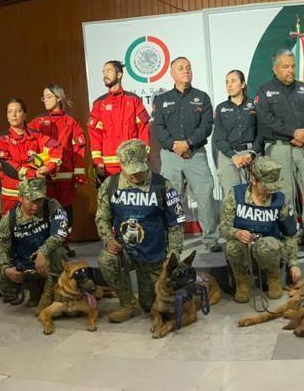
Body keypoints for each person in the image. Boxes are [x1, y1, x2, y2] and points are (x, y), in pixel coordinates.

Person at [96, 139, 185, 323]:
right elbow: (102, 218)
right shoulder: (110, 185)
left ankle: (143, 299)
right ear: (122, 166)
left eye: (140, 169)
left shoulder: (163, 186)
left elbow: (176, 223)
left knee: (149, 306)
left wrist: (174, 253)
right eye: (131, 171)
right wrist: (108, 239)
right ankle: (128, 303)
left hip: (153, 256)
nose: (136, 175)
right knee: (106, 259)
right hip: (125, 251)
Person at [254, 49, 304, 243]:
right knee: (285, 193)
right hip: (279, 147)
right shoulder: (265, 90)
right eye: (286, 67)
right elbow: (266, 119)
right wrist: (292, 132)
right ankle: (290, 232)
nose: (290, 70)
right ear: (275, 68)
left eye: (293, 66)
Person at [151, 57, 220, 252]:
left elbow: (206, 126)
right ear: (172, 73)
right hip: (171, 156)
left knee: (205, 195)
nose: (186, 71)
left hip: (195, 154)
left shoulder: (202, 97)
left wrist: (188, 143)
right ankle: (173, 242)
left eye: (189, 67)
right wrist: (175, 145)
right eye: (181, 68)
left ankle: (211, 240)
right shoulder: (162, 100)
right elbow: (159, 127)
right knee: (171, 199)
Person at [221, 157, 301, 303]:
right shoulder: (235, 195)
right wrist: (236, 233)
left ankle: (273, 278)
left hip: (269, 251)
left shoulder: (280, 200)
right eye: (267, 186)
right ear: (254, 179)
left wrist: (293, 263)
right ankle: (242, 282)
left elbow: (290, 234)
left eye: (274, 187)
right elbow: (223, 228)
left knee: (268, 244)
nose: (271, 191)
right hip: (244, 248)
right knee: (231, 246)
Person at [0, 178, 70, 309]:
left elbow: (60, 233)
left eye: (39, 200)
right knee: (0, 276)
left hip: (47, 260)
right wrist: (6, 268)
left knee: (58, 254)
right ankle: (31, 291)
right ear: (20, 198)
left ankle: (53, 290)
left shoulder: (52, 206)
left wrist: (43, 252)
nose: (36, 204)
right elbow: (1, 246)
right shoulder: (9, 219)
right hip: (25, 264)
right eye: (31, 200)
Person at [29, 84, 87, 223]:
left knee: (65, 211)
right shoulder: (37, 122)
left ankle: (65, 242)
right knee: (46, 212)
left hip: (66, 176)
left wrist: (79, 175)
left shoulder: (71, 122)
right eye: (44, 97)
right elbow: (30, 148)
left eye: (49, 96)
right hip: (44, 175)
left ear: (59, 98)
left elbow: (78, 150)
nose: (46, 100)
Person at [0, 98, 60, 215]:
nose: (13, 115)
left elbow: (56, 148)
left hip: (34, 196)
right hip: (12, 195)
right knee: (12, 229)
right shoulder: (2, 139)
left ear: (25, 115)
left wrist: (48, 168)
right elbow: (5, 164)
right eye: (9, 112)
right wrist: (33, 174)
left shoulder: (36, 136)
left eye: (18, 111)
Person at [88, 61, 150, 180]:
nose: (105, 75)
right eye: (103, 72)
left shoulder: (133, 100)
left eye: (109, 70)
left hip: (132, 164)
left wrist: (144, 156)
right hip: (108, 167)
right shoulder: (99, 104)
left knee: (133, 197)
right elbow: (95, 134)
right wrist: (97, 160)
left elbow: (144, 130)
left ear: (119, 74)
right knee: (112, 198)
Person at [213, 69, 257, 197]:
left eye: (233, 81)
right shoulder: (221, 108)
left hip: (250, 155)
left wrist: (252, 153)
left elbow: (261, 133)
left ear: (243, 84)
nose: (229, 85)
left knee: (252, 198)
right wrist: (234, 156)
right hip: (228, 156)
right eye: (227, 82)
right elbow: (219, 138)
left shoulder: (254, 105)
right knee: (232, 198)